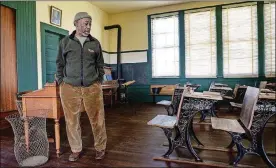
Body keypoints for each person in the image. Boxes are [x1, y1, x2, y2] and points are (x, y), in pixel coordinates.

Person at [55, 12, 107, 162]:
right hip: (69, 87)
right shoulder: (65, 42)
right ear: (76, 23)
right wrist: (61, 81)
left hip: (92, 87)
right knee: (72, 121)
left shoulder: (95, 43)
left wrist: (98, 81)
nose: (88, 26)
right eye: (85, 23)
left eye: (90, 23)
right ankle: (76, 149)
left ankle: (100, 148)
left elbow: (100, 65)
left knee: (98, 119)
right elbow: (60, 64)